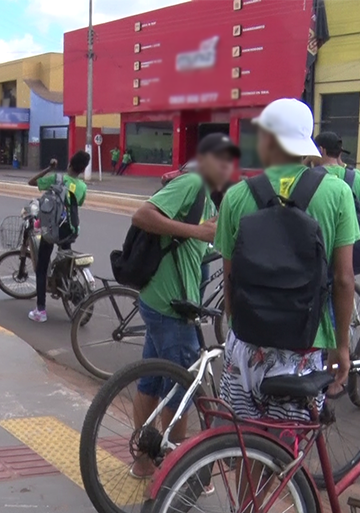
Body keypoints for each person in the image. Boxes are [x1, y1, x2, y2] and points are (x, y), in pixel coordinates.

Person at [214, 98, 359, 422]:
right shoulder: (337, 193)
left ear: (266, 140)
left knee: (244, 445)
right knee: (283, 456)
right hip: (304, 348)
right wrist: (341, 346)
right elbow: (344, 279)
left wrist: (243, 330)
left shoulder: (236, 195)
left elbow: (229, 278)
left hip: (247, 345)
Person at [128, 133, 237, 477]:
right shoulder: (191, 183)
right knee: (182, 388)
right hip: (171, 305)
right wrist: (196, 231)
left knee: (151, 381)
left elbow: (195, 244)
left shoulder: (205, 194)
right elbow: (142, 215)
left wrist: (212, 238)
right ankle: (176, 473)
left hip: (163, 301)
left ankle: (144, 464)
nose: (226, 168)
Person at [25, 152, 90, 322]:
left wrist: (49, 168)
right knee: (66, 262)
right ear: (83, 170)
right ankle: (65, 285)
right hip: (71, 230)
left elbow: (31, 182)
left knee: (42, 267)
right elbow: (79, 203)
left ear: (69, 165)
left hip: (53, 230)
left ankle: (41, 311)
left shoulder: (57, 178)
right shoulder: (82, 186)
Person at [314, 131, 360, 236]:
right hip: (356, 243)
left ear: (321, 150)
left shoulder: (312, 177)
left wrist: (306, 160)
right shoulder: (356, 176)